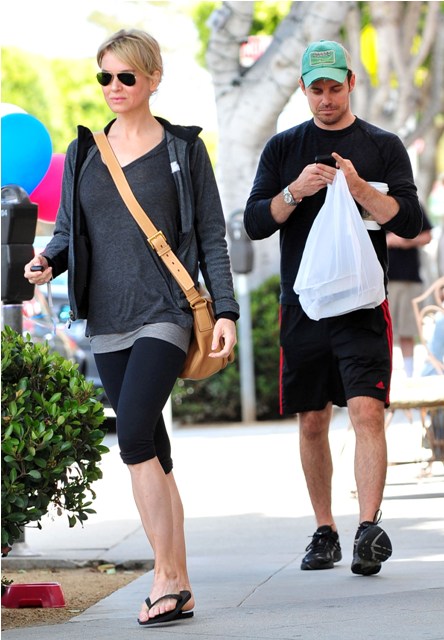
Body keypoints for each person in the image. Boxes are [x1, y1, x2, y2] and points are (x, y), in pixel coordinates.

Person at [24, 28, 238, 625]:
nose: (113, 87)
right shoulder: (86, 153)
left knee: (136, 435)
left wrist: (225, 310)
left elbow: (212, 237)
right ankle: (181, 580)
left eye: (126, 76)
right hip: (107, 318)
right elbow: (67, 233)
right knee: (155, 451)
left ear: (152, 78)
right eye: (105, 77)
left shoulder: (184, 150)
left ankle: (164, 578)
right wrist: (47, 263)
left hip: (165, 312)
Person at [244, 40, 423, 576]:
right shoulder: (283, 148)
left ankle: (368, 529)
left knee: (368, 411)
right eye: (316, 89)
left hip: (364, 304)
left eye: (335, 88)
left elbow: (409, 221)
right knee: (311, 421)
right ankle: (325, 530)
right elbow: (255, 222)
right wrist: (294, 191)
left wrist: (359, 187)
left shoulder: (382, 145)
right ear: (303, 88)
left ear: (351, 84)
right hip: (303, 306)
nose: (326, 99)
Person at [386, 204, 433, 377]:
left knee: (407, 330)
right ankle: (385, 375)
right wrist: (386, 241)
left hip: (408, 277)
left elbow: (427, 236)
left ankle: (409, 374)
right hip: (381, 280)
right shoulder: (369, 200)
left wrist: (406, 240)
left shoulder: (412, 204)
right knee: (383, 332)